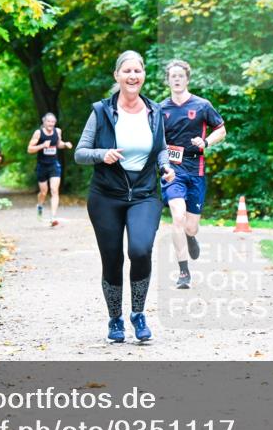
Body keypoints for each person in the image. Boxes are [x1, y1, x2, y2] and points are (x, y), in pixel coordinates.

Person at [75, 51, 176, 343]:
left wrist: (166, 167)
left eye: (138, 71)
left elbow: (160, 148)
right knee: (112, 258)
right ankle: (115, 320)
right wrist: (101, 154)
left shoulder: (155, 111)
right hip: (106, 195)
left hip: (145, 194)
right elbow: (80, 152)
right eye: (127, 71)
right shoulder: (101, 111)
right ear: (117, 76)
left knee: (140, 250)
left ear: (143, 75)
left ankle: (138, 314)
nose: (133, 76)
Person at [159, 60, 227, 289]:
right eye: (172, 76)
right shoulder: (161, 109)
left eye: (180, 76)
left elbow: (221, 130)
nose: (176, 79)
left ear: (187, 79)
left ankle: (190, 236)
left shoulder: (202, 105)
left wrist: (206, 141)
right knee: (177, 217)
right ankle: (184, 272)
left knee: (190, 226)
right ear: (167, 80)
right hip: (171, 171)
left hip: (195, 170)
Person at [27, 113, 73, 227]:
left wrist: (66, 144)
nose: (50, 124)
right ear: (44, 122)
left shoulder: (57, 131)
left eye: (53, 122)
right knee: (43, 192)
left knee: (54, 190)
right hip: (42, 166)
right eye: (48, 121)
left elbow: (58, 144)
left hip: (54, 164)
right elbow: (30, 149)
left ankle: (53, 217)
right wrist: (42, 145)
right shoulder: (38, 133)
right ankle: (40, 205)